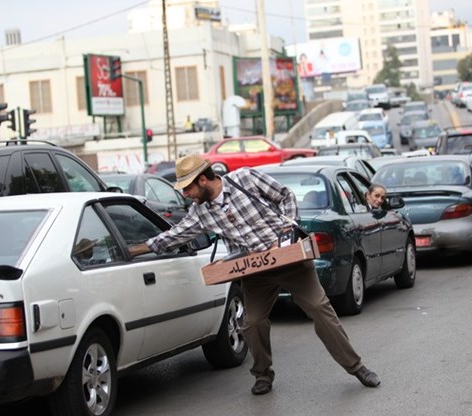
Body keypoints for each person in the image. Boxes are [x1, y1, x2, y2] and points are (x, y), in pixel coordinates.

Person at [128, 154, 381, 395]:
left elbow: (285, 196)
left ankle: (357, 368)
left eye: (188, 188)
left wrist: (287, 233)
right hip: (256, 273)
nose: (186, 194)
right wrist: (137, 249)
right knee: (252, 323)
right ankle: (262, 374)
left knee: (320, 310)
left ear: (203, 180)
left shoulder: (245, 179)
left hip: (290, 262)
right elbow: (174, 235)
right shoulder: (200, 212)